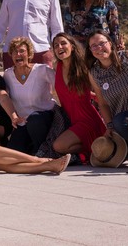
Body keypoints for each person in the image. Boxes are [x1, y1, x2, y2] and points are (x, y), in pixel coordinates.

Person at [87, 31, 128, 159]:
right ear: (90, 50)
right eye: (94, 46)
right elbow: (103, 103)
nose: (99, 48)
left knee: (121, 121)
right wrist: (110, 126)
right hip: (122, 122)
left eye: (102, 43)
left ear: (110, 43)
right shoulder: (94, 74)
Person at [51, 33, 106, 163]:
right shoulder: (56, 67)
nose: (60, 47)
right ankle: (93, 150)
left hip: (87, 119)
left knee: (58, 146)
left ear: (73, 46)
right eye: (56, 45)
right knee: (58, 147)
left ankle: (92, 151)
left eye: (63, 43)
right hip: (71, 119)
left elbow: (99, 92)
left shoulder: (84, 67)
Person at [3, 37, 57, 155]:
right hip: (23, 121)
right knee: (14, 152)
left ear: (29, 53)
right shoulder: (7, 74)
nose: (18, 54)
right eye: (14, 52)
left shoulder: (43, 70)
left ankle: (45, 151)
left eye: (22, 51)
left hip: (44, 117)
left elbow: (60, 87)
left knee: (35, 120)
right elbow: (3, 96)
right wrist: (14, 117)